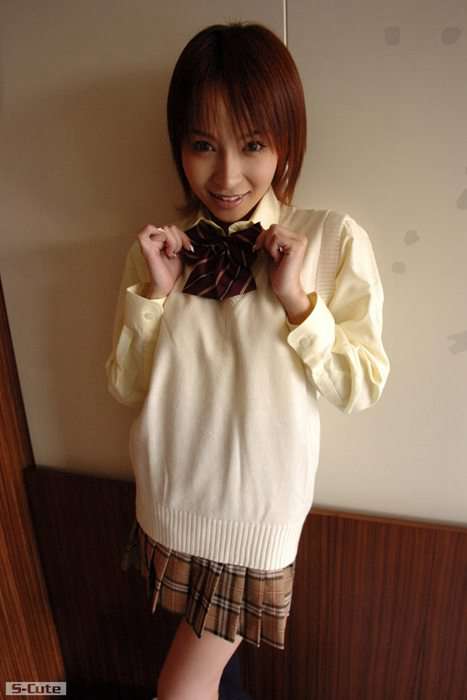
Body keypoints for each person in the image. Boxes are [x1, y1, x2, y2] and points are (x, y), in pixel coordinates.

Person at [105, 21, 390, 700]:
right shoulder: (162, 249)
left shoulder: (329, 239)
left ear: (285, 141)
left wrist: (297, 302)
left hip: (252, 525)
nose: (227, 175)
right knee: (217, 680)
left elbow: (361, 385)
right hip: (166, 502)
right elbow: (126, 387)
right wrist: (155, 294)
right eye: (203, 145)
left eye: (253, 144)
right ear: (179, 145)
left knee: (181, 689)